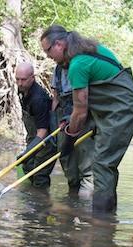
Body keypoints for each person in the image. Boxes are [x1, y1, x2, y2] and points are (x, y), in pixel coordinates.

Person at [40, 25, 133, 214]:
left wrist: (69, 139)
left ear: (59, 44)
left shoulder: (78, 65)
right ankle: (109, 216)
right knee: (105, 164)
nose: (48, 56)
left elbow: (80, 112)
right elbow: (83, 107)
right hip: (113, 108)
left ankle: (100, 223)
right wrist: (70, 123)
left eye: (47, 51)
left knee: (103, 164)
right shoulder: (93, 50)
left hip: (120, 110)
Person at [51, 64, 94, 197]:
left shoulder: (82, 66)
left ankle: (86, 209)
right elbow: (56, 98)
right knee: (67, 161)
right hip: (63, 119)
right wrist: (53, 122)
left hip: (85, 120)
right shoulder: (58, 70)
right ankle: (72, 202)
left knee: (87, 167)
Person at [15, 62, 57, 188]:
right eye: (17, 79)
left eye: (23, 80)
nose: (20, 83)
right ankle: (30, 200)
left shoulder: (38, 99)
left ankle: (41, 204)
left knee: (39, 175)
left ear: (32, 78)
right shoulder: (22, 89)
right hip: (34, 136)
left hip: (47, 140)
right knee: (27, 166)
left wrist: (27, 152)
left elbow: (43, 131)